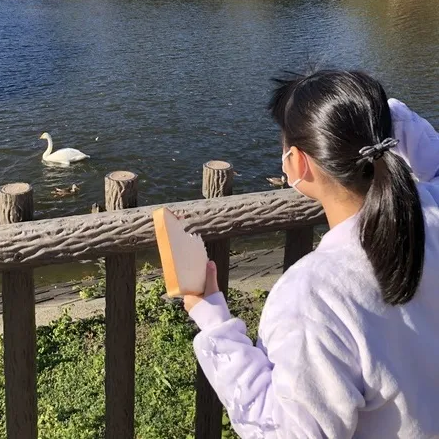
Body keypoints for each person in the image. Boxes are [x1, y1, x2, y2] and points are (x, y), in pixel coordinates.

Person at [185, 70, 439, 438]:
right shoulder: (432, 209)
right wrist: (381, 117)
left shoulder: (315, 294)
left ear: (298, 164)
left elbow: (283, 431)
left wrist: (214, 324)